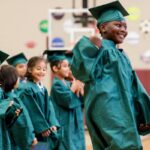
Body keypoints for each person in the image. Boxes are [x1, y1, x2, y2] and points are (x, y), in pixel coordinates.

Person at [71, 1, 150, 150]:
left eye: (125, 27)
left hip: (122, 111)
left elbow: (135, 87)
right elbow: (83, 68)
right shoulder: (100, 50)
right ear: (102, 27)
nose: (123, 30)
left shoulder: (121, 54)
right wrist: (91, 44)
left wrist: (143, 111)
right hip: (110, 112)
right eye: (118, 25)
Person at [44, 50, 85, 150]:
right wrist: (74, 87)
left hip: (75, 124)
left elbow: (81, 101)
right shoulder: (57, 85)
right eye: (65, 66)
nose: (68, 69)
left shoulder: (67, 84)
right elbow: (69, 101)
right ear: (55, 68)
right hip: (66, 125)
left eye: (69, 66)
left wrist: (81, 90)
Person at [20, 56, 60, 150]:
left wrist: (52, 123)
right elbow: (32, 110)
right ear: (30, 69)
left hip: (46, 129)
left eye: (44, 69)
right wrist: (42, 127)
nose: (42, 71)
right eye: (38, 69)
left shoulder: (43, 88)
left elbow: (50, 107)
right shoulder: (27, 89)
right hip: (36, 130)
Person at [0, 64, 37, 150]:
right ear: (12, 79)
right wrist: (30, 138)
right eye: (17, 77)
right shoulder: (12, 99)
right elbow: (21, 123)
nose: (19, 79)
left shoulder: (4, 97)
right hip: (12, 141)